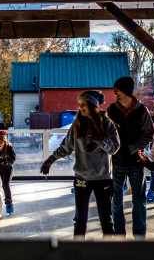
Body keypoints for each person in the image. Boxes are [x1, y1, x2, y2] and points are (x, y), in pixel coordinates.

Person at [41, 90, 120, 238]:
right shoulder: (77, 125)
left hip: (102, 178)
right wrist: (50, 160)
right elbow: (65, 147)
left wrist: (98, 140)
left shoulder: (107, 124)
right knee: (80, 219)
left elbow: (115, 148)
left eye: (84, 105)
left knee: (106, 219)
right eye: (80, 105)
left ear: (94, 106)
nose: (81, 108)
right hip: (82, 178)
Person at [107, 76, 154, 238]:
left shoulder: (142, 110)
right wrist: (112, 148)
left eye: (117, 90)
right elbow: (106, 133)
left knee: (139, 199)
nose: (115, 93)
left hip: (136, 162)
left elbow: (149, 133)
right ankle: (119, 234)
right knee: (116, 199)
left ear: (126, 90)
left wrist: (134, 148)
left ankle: (139, 235)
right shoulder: (112, 110)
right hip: (117, 161)